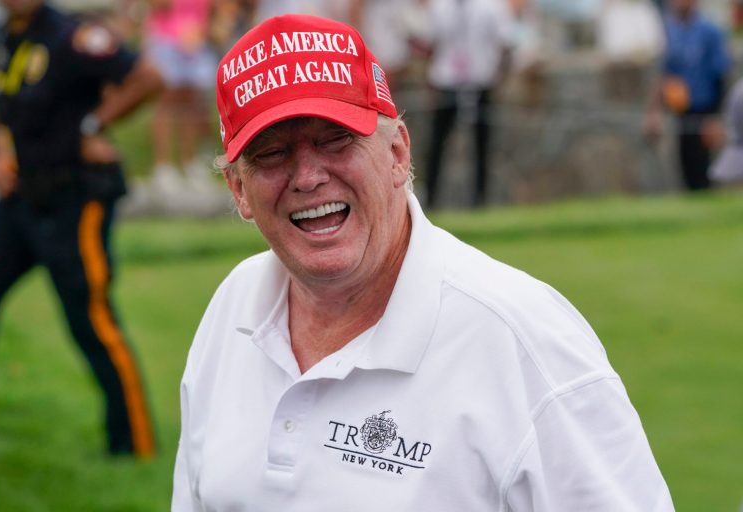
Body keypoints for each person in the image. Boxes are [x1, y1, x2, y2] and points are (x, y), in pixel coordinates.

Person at [171, 14, 674, 510]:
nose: (307, 176)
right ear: (238, 189)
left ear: (397, 154)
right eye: (272, 153)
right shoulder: (232, 307)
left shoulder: (525, 341)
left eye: (335, 139)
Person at [0, 0, 162, 457]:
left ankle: (132, 443)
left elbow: (150, 79)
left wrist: (94, 123)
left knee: (90, 320)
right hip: (19, 200)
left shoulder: (72, 36)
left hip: (74, 200)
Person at [422, 0, 514, 209]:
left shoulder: (492, 6)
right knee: (437, 145)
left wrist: (499, 77)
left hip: (481, 81)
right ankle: (431, 199)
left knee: (482, 146)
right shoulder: (440, 6)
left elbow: (505, 43)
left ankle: (479, 200)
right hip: (447, 82)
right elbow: (431, 44)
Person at [644, 0, 730, 191]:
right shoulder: (670, 31)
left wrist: (715, 118)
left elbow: (720, 76)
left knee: (705, 171)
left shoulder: (710, 32)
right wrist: (654, 112)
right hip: (681, 110)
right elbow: (664, 75)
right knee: (686, 170)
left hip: (705, 110)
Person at [144, 0, 217, 194]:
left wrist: (198, 31)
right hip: (166, 40)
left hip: (195, 42)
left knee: (191, 105)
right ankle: (163, 167)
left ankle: (190, 164)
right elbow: (156, 5)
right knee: (166, 103)